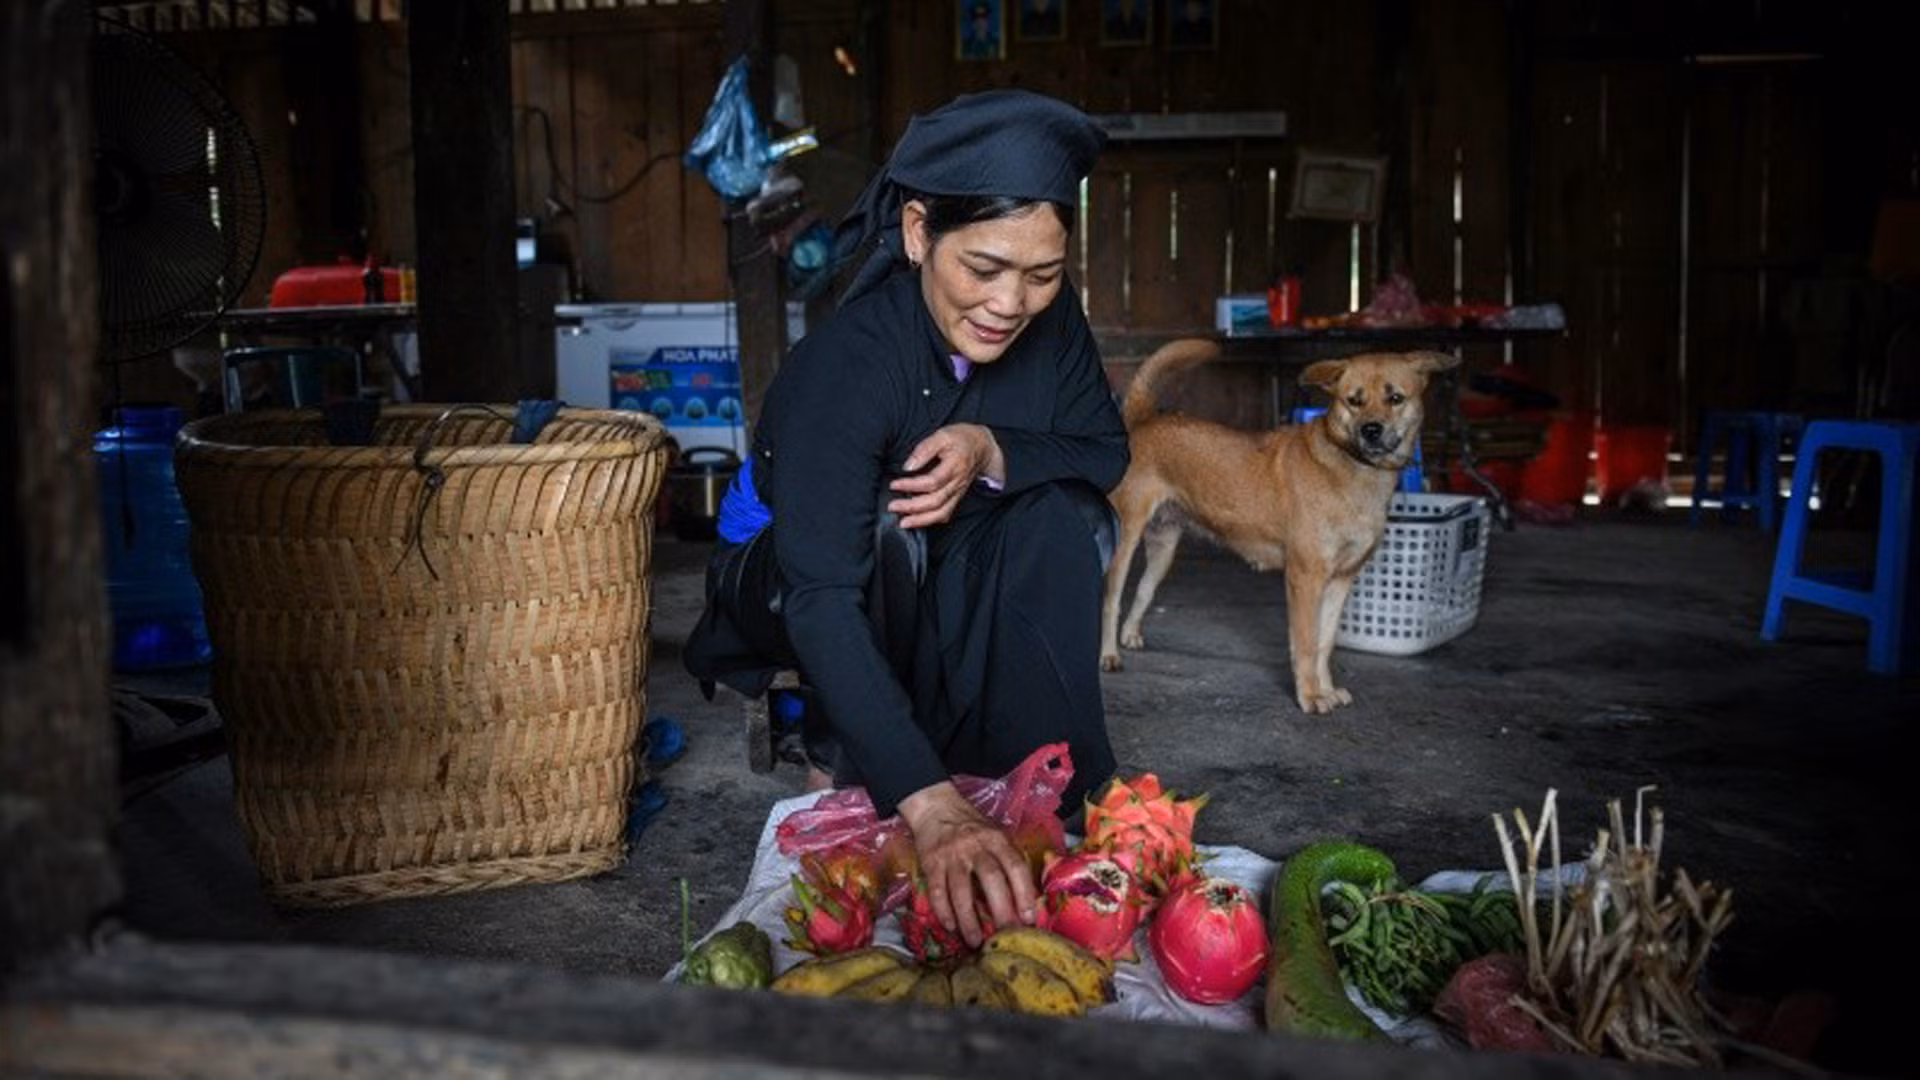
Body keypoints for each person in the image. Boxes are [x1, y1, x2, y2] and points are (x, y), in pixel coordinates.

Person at [684, 90, 1125, 948]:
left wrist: (993, 448)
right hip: (783, 577)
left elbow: (1101, 451)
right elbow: (818, 596)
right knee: (894, 526)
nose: (1012, 303)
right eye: (985, 270)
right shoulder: (847, 367)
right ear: (920, 232)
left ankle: (1040, 792)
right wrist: (931, 807)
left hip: (929, 558)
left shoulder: (1050, 317)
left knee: (1070, 514)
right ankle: (858, 759)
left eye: (1042, 274)